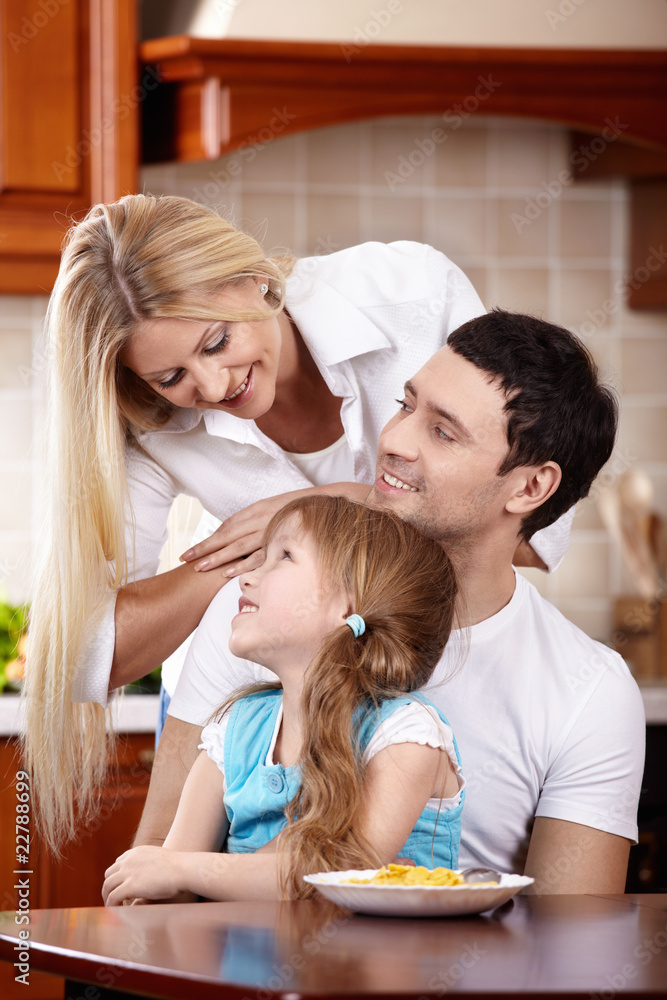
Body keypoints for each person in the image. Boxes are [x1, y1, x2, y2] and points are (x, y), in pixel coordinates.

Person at [25, 193, 567, 852]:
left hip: (438, 672)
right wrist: (240, 555)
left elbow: (533, 533)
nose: (212, 383)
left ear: (255, 279)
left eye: (216, 341)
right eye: (171, 375)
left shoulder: (406, 294)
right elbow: (89, 658)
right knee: (184, 903)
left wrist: (332, 507)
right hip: (251, 707)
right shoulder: (152, 424)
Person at [135, 310, 645, 894]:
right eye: (406, 406)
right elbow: (156, 872)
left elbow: (570, 944)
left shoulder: (589, 690)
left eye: (443, 432)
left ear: (530, 487)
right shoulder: (253, 613)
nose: (395, 440)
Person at [101, 496, 462, 904]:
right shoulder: (235, 731)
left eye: (284, 556)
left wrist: (182, 870)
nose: (247, 578)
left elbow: (337, 870)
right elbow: (168, 888)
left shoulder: (405, 736)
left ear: (349, 603)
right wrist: (152, 888)